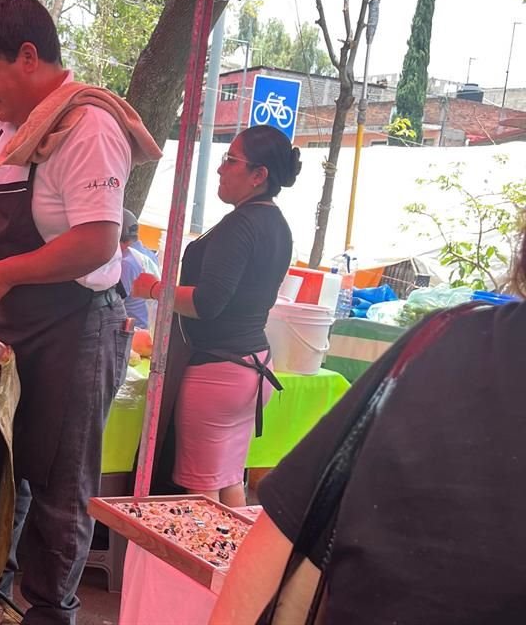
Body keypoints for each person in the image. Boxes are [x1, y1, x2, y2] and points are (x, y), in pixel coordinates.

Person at [0, 0, 160, 623]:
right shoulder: (5, 133)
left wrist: (5, 272)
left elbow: (99, 239)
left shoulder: (88, 126)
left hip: (79, 327)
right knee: (3, 470)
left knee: (58, 484)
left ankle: (51, 612)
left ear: (29, 56)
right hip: (20, 325)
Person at [209, 235, 526, 625]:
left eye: (232, 166)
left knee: (211, 471)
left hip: (228, 366)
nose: (224, 169)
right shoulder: (451, 342)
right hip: (243, 366)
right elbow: (292, 530)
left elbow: (284, 537)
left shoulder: (452, 343)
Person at [132, 125, 299, 507]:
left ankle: (208, 566)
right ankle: (235, 566)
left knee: (201, 496)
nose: (221, 168)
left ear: (260, 176)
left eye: (231, 160)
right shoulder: (276, 224)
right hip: (251, 366)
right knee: (227, 483)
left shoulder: (241, 225)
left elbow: (208, 303)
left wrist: (154, 289)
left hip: (218, 374)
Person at [118, 209, 155, 330]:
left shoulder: (126, 263)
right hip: (150, 328)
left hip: (135, 332)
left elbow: (114, 307)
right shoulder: (149, 254)